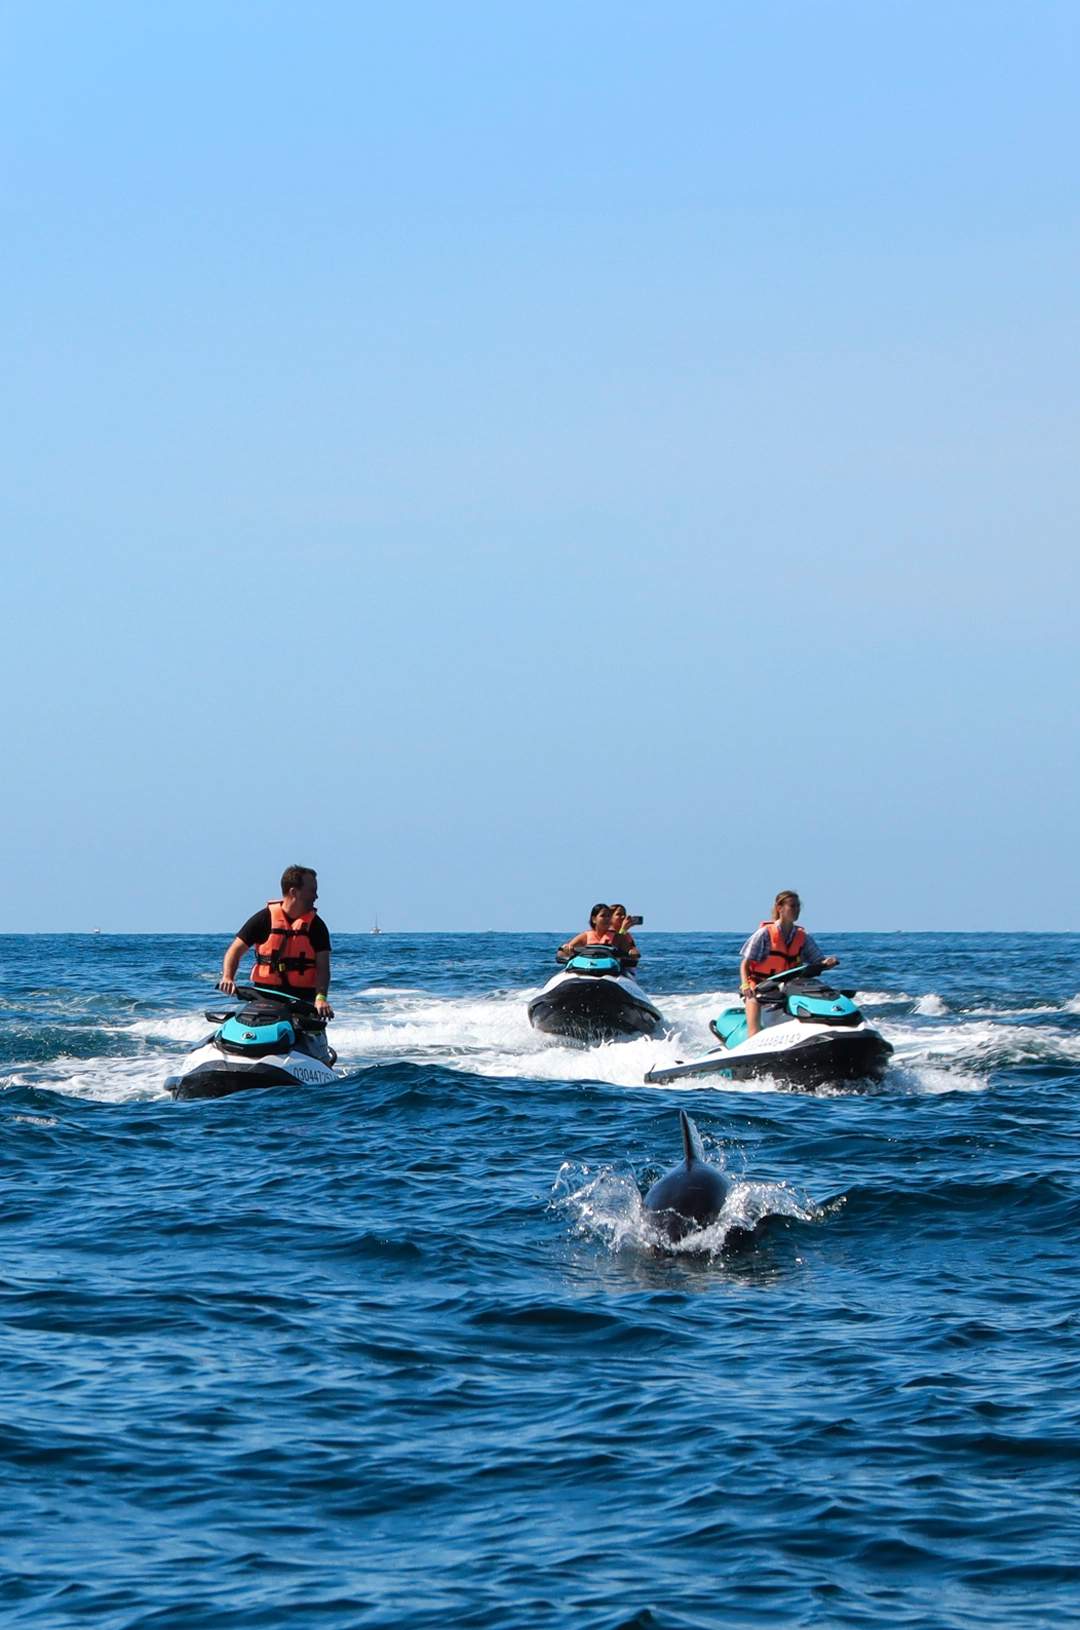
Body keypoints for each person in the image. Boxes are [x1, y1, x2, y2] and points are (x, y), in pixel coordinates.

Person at [218, 865, 335, 1023]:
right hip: (264, 996)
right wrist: (228, 977)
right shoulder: (263, 919)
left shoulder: (317, 926)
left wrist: (321, 998)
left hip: (301, 999)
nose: (316, 896)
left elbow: (323, 968)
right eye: (312, 891)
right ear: (294, 892)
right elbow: (234, 951)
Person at [739, 891, 837, 1037]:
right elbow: (745, 964)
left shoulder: (802, 936)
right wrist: (745, 985)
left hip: (787, 986)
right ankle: (752, 1037)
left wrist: (828, 963)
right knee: (753, 1000)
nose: (796, 910)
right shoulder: (764, 934)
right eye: (792, 906)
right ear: (780, 908)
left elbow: (818, 960)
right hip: (759, 986)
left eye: (798, 906)